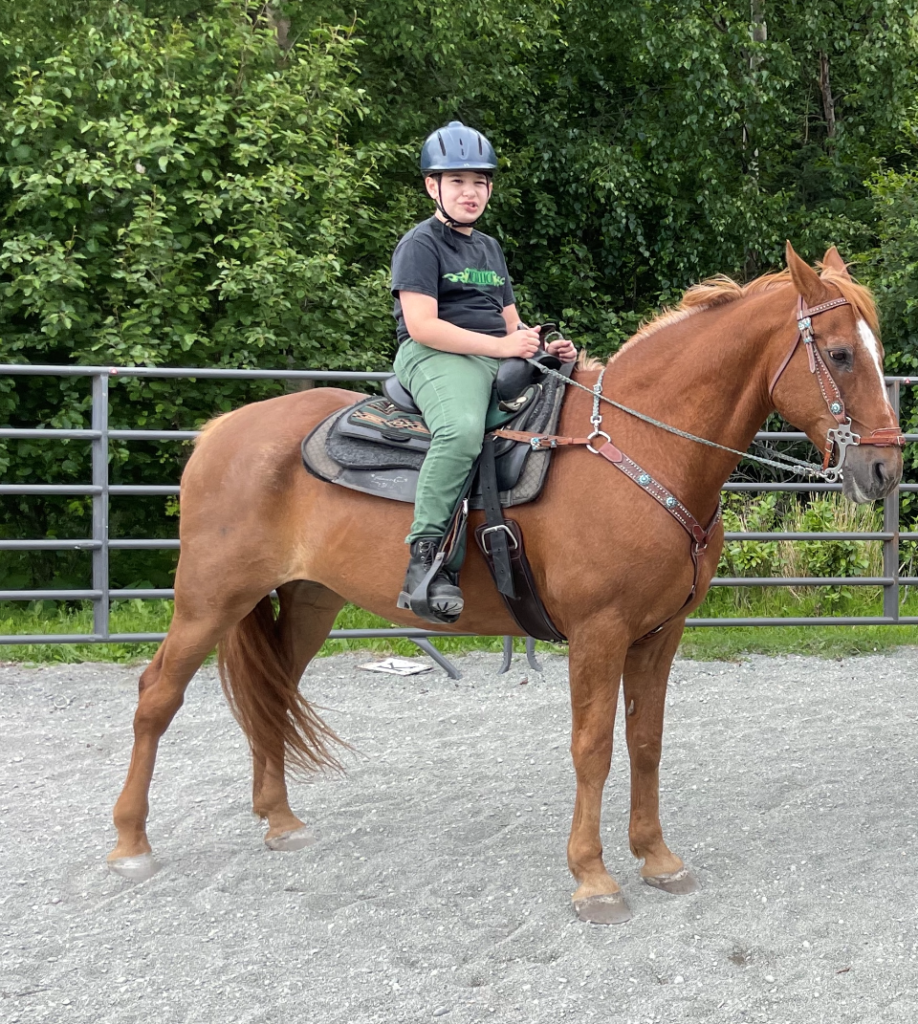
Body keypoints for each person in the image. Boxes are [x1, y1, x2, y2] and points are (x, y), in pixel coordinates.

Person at [391, 120, 576, 624]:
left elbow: (512, 322)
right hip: (435, 354)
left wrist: (542, 346)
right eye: (457, 181)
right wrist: (501, 346)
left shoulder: (489, 248)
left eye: (479, 182)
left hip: (492, 352)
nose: (470, 192)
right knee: (461, 430)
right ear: (432, 186)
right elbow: (423, 326)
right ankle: (426, 560)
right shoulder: (420, 243)